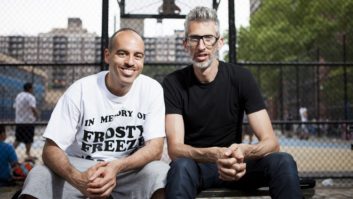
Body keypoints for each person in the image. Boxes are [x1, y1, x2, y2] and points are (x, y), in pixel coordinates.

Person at [162, 6, 302, 199]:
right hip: (199, 166)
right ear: (186, 44)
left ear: (220, 42)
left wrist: (243, 152)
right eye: (194, 38)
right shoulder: (173, 83)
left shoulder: (241, 77)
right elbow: (175, 149)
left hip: (238, 164)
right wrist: (213, 155)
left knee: (283, 161)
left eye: (208, 38)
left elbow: (271, 142)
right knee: (180, 166)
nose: (201, 46)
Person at [20, 28, 169, 199]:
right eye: (122, 53)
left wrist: (117, 166)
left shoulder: (152, 89)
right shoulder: (81, 89)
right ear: (107, 55)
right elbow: (51, 149)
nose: (130, 61)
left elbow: (155, 148)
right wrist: (78, 179)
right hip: (82, 168)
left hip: (127, 170)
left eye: (137, 56)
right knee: (39, 175)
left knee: (162, 173)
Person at [13, 82, 38, 159]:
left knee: (18, 139)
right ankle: (28, 154)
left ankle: (11, 151)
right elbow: (33, 108)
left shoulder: (18, 96)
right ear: (30, 88)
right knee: (29, 139)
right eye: (32, 88)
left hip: (19, 121)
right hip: (28, 122)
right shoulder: (31, 97)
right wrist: (36, 115)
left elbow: (14, 107)